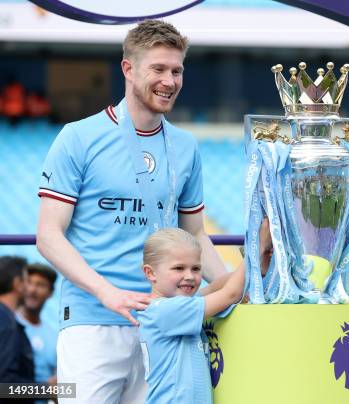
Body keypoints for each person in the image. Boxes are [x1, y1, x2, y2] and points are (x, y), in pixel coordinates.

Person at [36, 20, 227, 403]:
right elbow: (48, 236)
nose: (169, 81)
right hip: (93, 321)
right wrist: (109, 294)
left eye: (177, 71)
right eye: (158, 69)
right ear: (128, 68)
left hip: (163, 322)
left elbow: (195, 236)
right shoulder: (79, 137)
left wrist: (230, 287)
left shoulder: (186, 146)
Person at [137, 228, 245, 404]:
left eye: (196, 268)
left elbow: (214, 287)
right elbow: (230, 294)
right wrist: (256, 251)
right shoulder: (167, 311)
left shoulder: (178, 306)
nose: (189, 276)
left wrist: (258, 267)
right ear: (150, 273)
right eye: (179, 268)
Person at [17, 264, 59, 391]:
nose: (32, 290)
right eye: (29, 283)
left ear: (50, 293)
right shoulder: (7, 326)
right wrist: (44, 390)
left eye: (41, 285)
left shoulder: (55, 336)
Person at [0, 256, 35, 394]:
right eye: (28, 281)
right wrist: (49, 390)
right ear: (17, 283)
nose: (30, 289)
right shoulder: (7, 323)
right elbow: (5, 385)